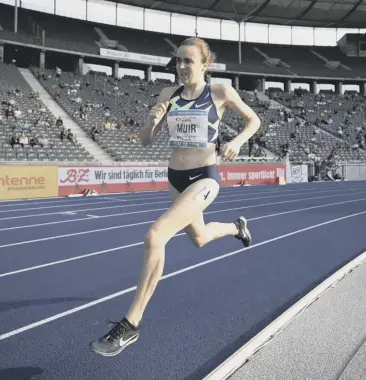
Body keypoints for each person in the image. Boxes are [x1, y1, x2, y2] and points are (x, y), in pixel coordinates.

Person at [90, 37, 261, 357]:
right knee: (198, 237)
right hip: (176, 178)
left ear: (205, 65)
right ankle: (237, 228)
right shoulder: (168, 94)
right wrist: (152, 122)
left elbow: (255, 120)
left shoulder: (221, 91)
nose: (181, 67)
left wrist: (237, 140)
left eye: (188, 61)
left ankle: (131, 324)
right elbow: (144, 141)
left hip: (205, 178)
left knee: (156, 235)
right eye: (178, 61)